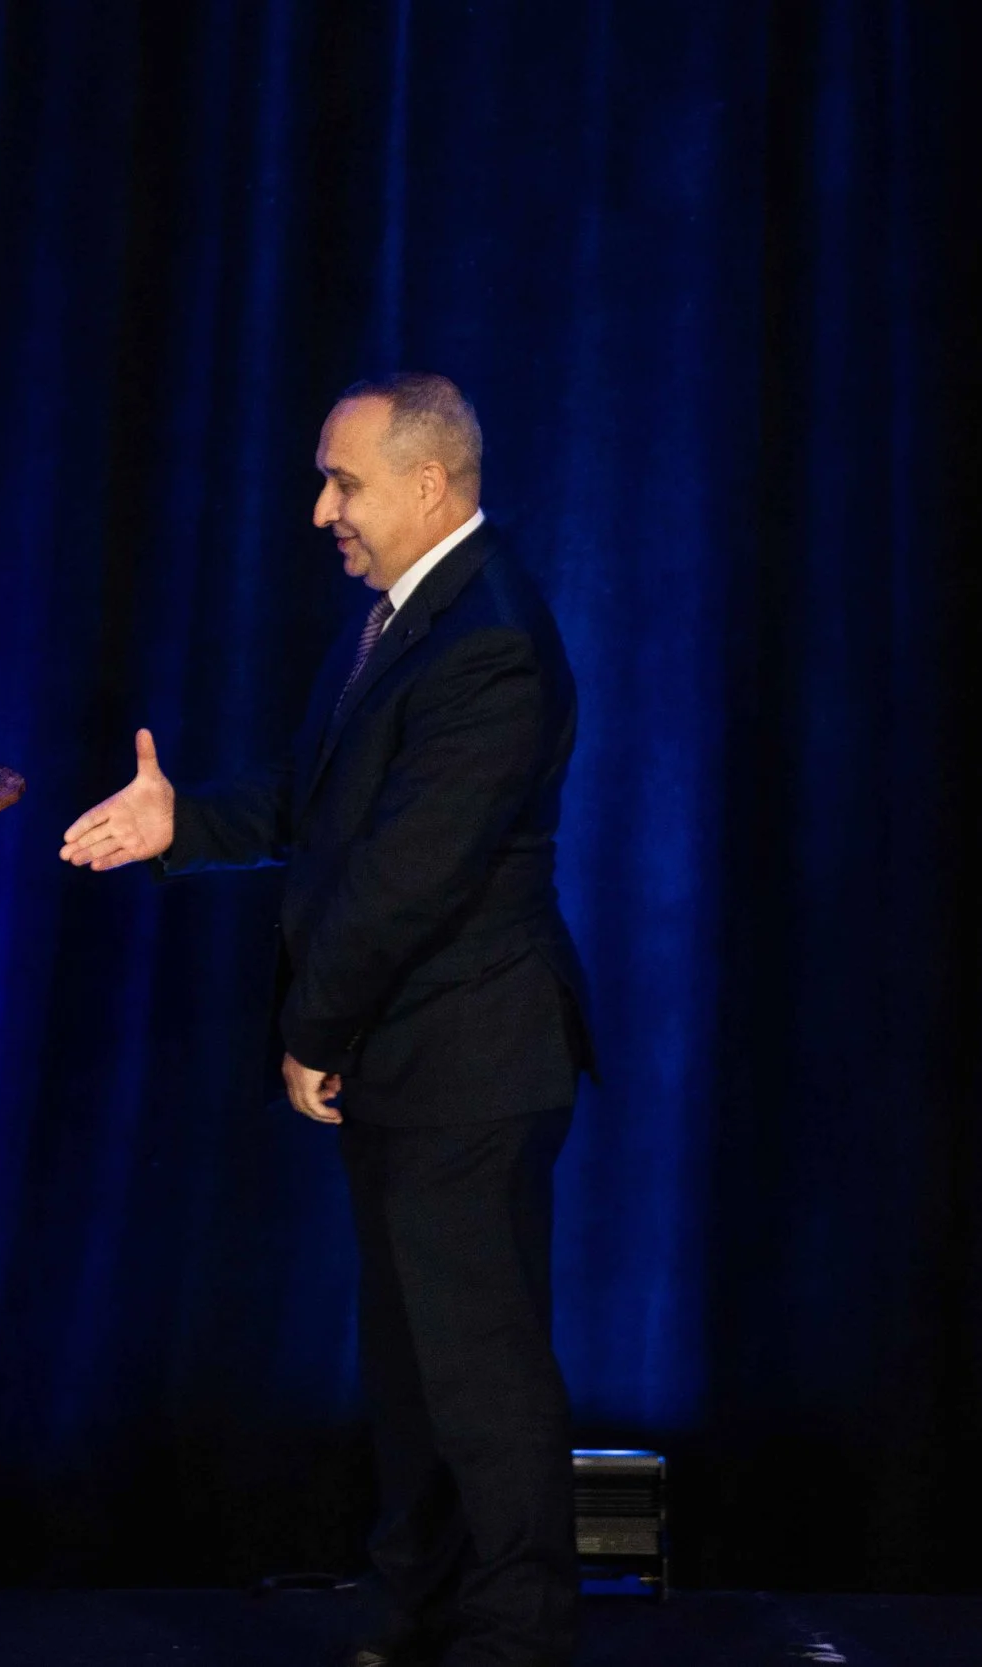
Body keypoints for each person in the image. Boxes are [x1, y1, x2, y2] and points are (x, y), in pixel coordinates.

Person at [61, 373, 593, 1667]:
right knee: (416, 1370)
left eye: (343, 482)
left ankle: (517, 1640)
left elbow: (409, 878)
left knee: (478, 1372)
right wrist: (185, 821)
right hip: (420, 1062)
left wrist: (316, 1030)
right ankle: (416, 1610)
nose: (319, 511)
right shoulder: (404, 620)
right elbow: (321, 804)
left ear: (430, 483)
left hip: (471, 1057)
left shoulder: (491, 643)